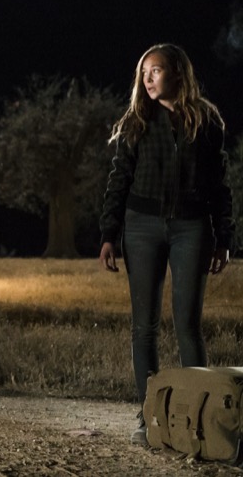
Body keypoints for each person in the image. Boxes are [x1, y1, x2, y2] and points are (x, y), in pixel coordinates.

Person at [98, 43, 233, 446]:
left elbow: (219, 186)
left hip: (192, 228)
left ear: (177, 72)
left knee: (188, 326)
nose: (148, 79)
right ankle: (150, 421)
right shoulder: (136, 120)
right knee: (145, 329)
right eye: (144, 73)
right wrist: (108, 234)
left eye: (155, 71)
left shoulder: (206, 121)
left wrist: (224, 237)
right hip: (140, 229)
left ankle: (200, 422)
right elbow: (118, 179)